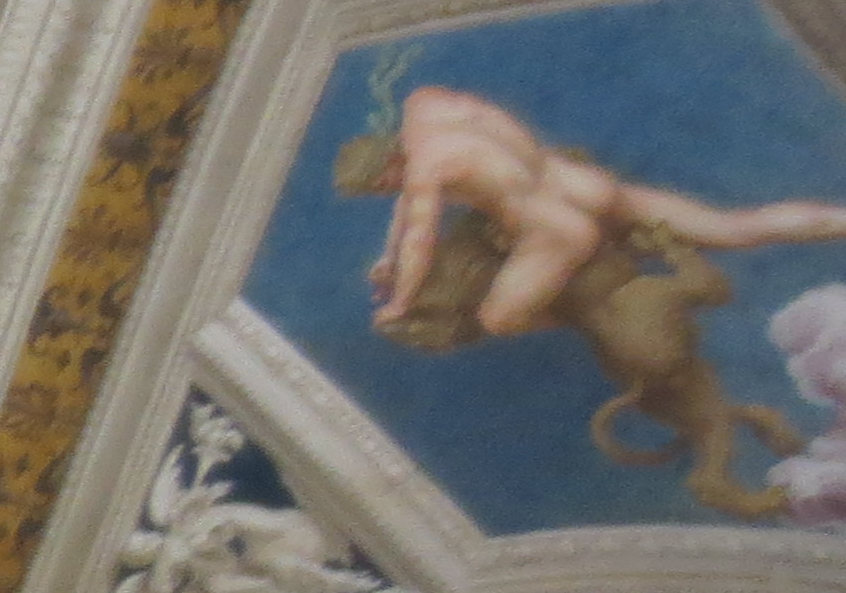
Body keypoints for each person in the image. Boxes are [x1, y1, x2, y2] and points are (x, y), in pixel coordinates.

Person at [336, 78, 846, 343]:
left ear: (389, 167)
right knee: (734, 228)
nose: (389, 193)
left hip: (555, 229)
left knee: (497, 320)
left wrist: (400, 301)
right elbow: (410, 204)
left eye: (382, 187)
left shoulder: (425, 170)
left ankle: (614, 294)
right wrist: (387, 255)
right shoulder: (424, 103)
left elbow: (420, 237)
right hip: (583, 184)